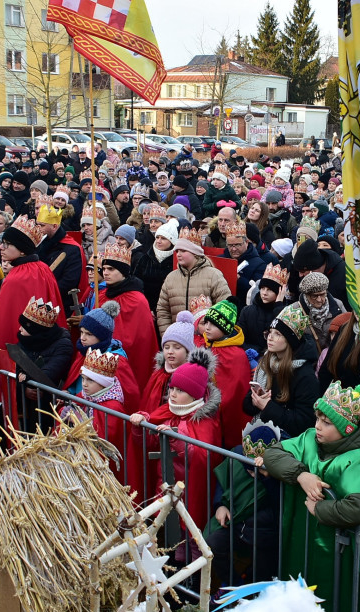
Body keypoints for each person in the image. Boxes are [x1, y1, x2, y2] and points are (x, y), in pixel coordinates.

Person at [260, 382, 360, 612]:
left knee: (332, 600)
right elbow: (273, 453)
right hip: (301, 539)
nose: (317, 426)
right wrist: (302, 475)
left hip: (339, 553)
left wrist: (319, 509)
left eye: (326, 423)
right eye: (317, 419)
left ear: (347, 428)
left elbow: (358, 507)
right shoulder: (309, 438)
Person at [129, 348, 221, 534]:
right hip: (164, 483)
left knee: (189, 530)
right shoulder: (167, 411)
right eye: (172, 388)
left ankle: (191, 556)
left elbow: (202, 456)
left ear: (195, 394)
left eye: (180, 390)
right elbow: (149, 444)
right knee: (163, 525)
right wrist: (142, 426)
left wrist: (176, 438)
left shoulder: (204, 421)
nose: (172, 393)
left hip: (188, 489)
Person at [0, 215, 66, 420]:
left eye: (7, 244)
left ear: (22, 249)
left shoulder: (18, 276)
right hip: (47, 351)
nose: (1, 248)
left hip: (27, 355)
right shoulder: (41, 268)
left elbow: (2, 320)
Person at [203, 420, 283, 589]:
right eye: (249, 470)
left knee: (261, 574)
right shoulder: (237, 455)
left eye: (257, 471)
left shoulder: (279, 472)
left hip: (264, 533)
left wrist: (268, 479)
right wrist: (219, 505)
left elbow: (280, 505)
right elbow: (223, 480)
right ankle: (232, 585)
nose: (252, 475)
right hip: (235, 523)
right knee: (212, 544)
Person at [244, 303, 319, 439]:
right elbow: (246, 407)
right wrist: (255, 399)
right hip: (263, 432)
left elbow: (304, 423)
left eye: (277, 334)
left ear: (290, 340)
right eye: (269, 332)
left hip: (288, 443)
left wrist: (268, 407)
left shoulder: (304, 375)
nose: (270, 338)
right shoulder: (265, 361)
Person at [98, 244, 158, 390]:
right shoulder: (101, 294)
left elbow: (138, 339)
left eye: (111, 269)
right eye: (104, 269)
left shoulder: (137, 299)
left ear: (123, 272)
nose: (105, 273)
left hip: (128, 359)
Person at [13, 297, 74, 432]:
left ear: (36, 329)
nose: (19, 329)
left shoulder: (63, 345)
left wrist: (26, 380)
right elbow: (16, 370)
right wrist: (23, 388)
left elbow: (47, 374)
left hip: (51, 407)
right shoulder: (25, 340)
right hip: (28, 405)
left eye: (24, 326)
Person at [197, 299, 252, 449]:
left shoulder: (236, 355)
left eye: (213, 324)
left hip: (224, 416)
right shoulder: (204, 345)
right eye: (206, 323)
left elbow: (234, 391)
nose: (207, 328)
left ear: (225, 327)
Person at [156, 227, 230, 334]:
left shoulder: (214, 275)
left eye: (183, 251)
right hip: (177, 340)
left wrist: (212, 335)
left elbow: (224, 306)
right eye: (177, 251)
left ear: (195, 253)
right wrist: (168, 336)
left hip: (206, 340)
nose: (178, 254)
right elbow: (163, 310)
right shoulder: (171, 278)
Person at [237, 263, 287, 354]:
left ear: (279, 292)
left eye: (270, 290)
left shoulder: (286, 313)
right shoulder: (247, 311)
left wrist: (279, 306)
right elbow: (239, 338)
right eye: (262, 288)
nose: (264, 293)